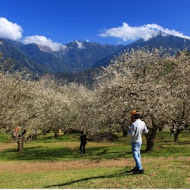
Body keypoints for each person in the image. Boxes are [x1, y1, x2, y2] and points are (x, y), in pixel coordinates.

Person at [128, 110, 148, 174]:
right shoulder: (143, 123)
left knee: (135, 155)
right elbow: (146, 131)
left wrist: (129, 130)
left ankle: (140, 168)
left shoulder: (134, 124)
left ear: (134, 117)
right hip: (140, 140)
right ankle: (137, 167)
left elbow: (132, 134)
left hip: (134, 141)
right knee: (138, 154)